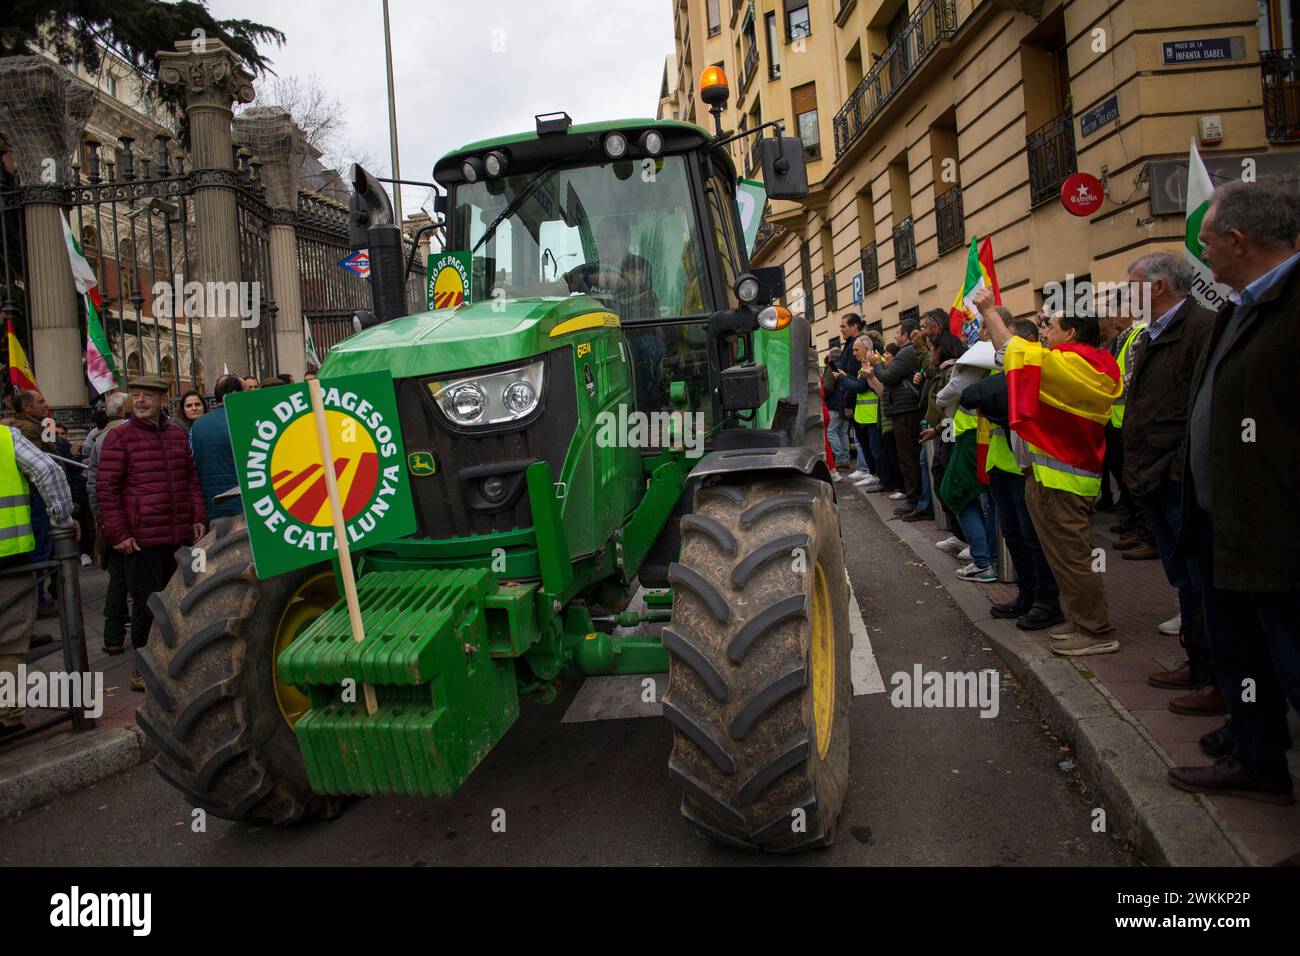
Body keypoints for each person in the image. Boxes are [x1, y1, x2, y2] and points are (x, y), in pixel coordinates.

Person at [1167, 180, 1300, 805]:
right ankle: (1256, 758)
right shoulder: (1239, 305)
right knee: (1243, 658)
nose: (1204, 252)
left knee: (1292, 666)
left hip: (1279, 534)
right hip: (1224, 527)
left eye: (1209, 240)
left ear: (1239, 241)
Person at [975, 287, 1122, 657]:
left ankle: (1097, 630)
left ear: (1071, 332)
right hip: (1050, 478)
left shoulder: (1080, 362)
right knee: (1063, 558)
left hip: (1062, 481)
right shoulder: (1075, 359)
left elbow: (1015, 352)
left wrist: (991, 311)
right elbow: (1010, 358)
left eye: (1049, 325)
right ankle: (1079, 622)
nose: (1043, 332)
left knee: (1073, 559)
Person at [1120, 252, 1218, 716]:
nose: (1125, 295)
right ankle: (1198, 661)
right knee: (1183, 577)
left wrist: (1179, 469)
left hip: (1178, 477)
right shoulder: (1149, 336)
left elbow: (1204, 409)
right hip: (1152, 473)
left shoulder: (1201, 328)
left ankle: (1216, 674)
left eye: (1132, 285)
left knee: (1203, 579)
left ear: (1158, 287)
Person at [96, 375, 206, 691]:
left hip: (178, 535)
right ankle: (142, 668)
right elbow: (107, 490)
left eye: (148, 396)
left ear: (162, 400)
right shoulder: (120, 438)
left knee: (180, 601)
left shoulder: (176, 435)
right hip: (141, 540)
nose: (141, 401)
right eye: (137, 395)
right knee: (146, 604)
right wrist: (119, 533)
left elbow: (190, 480)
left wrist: (197, 516)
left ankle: (176, 662)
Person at [961, 317, 1064, 630]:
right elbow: (970, 397)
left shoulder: (1035, 367)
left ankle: (1047, 601)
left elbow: (985, 394)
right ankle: (1027, 595)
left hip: (1027, 469)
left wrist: (986, 399)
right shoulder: (1003, 367)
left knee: (1033, 538)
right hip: (1001, 465)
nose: (996, 347)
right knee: (1015, 537)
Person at [0, 422, 75, 737]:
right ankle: (6, 716)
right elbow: (49, 471)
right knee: (10, 638)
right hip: (10, 557)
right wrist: (63, 520)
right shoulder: (7, 437)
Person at [86, 391, 132, 655]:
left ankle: (112, 636)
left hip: (111, 518)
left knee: (117, 578)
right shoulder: (123, 436)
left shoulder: (98, 438)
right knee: (137, 580)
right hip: (132, 519)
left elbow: (93, 483)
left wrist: (100, 516)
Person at [863, 317, 923, 514]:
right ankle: (913, 497)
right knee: (906, 457)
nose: (895, 336)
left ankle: (914, 499)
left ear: (905, 335)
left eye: (897, 333)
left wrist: (877, 364)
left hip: (906, 412)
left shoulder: (907, 352)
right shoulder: (907, 352)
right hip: (901, 410)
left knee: (908, 458)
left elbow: (889, 377)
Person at [190, 374, 245, 521]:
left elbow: (192, 465)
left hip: (211, 506)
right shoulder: (244, 421)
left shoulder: (197, 425)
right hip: (243, 506)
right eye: (244, 393)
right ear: (234, 394)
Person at [828, 314, 863, 475]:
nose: (841, 330)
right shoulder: (848, 346)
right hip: (848, 401)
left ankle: (863, 467)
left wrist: (848, 404)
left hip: (854, 401)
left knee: (858, 438)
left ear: (855, 326)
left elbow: (853, 376)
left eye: (844, 326)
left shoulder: (853, 345)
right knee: (849, 435)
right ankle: (858, 466)